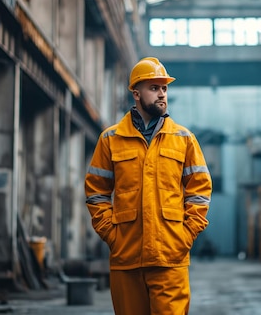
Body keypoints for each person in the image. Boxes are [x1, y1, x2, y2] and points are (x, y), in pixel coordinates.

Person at [84, 57, 212, 315]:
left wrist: (185, 236)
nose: (161, 94)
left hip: (170, 258)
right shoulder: (111, 139)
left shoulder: (184, 139)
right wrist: (111, 235)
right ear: (136, 93)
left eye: (164, 88)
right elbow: (96, 192)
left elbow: (199, 192)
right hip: (126, 257)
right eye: (154, 88)